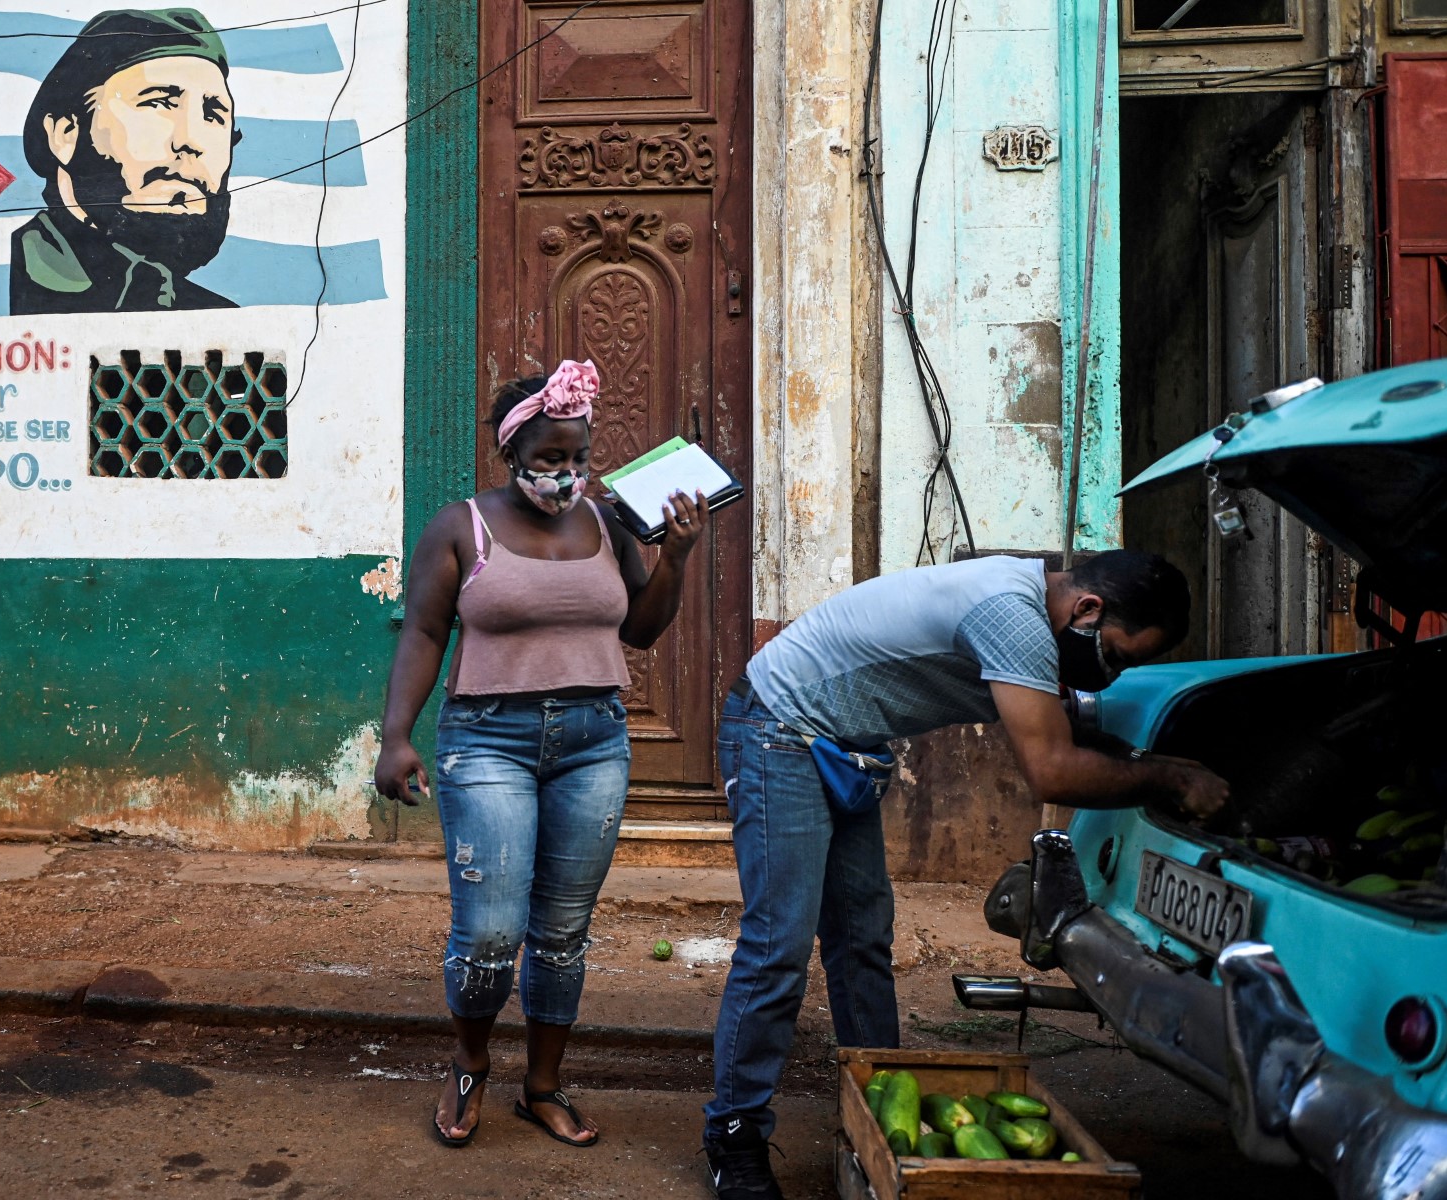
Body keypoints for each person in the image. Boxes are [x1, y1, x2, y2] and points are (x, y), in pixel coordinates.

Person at [701, 550, 1228, 1199]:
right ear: (1086, 611)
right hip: (778, 731)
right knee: (779, 944)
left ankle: (879, 1098)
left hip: (837, 744)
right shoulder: (1010, 615)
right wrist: (1170, 778)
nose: (1111, 675)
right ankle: (733, 1132)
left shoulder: (1035, 604)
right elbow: (1052, 770)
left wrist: (1144, 760)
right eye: (1117, 655)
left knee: (862, 936)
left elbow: (1073, 733)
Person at [374, 359, 709, 1149]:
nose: (565, 474)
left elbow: (639, 631)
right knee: (490, 930)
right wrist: (396, 736)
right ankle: (469, 1063)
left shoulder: (610, 520)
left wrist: (679, 558)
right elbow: (424, 632)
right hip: (487, 739)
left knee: (562, 931)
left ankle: (543, 1085)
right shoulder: (461, 526)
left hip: (594, 742)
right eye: (550, 458)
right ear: (512, 452)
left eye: (577, 457)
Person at [12, 8, 238, 314]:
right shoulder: (18, 281)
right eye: (158, 102)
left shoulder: (218, 317)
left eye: (213, 114)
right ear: (65, 134)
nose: (190, 141)